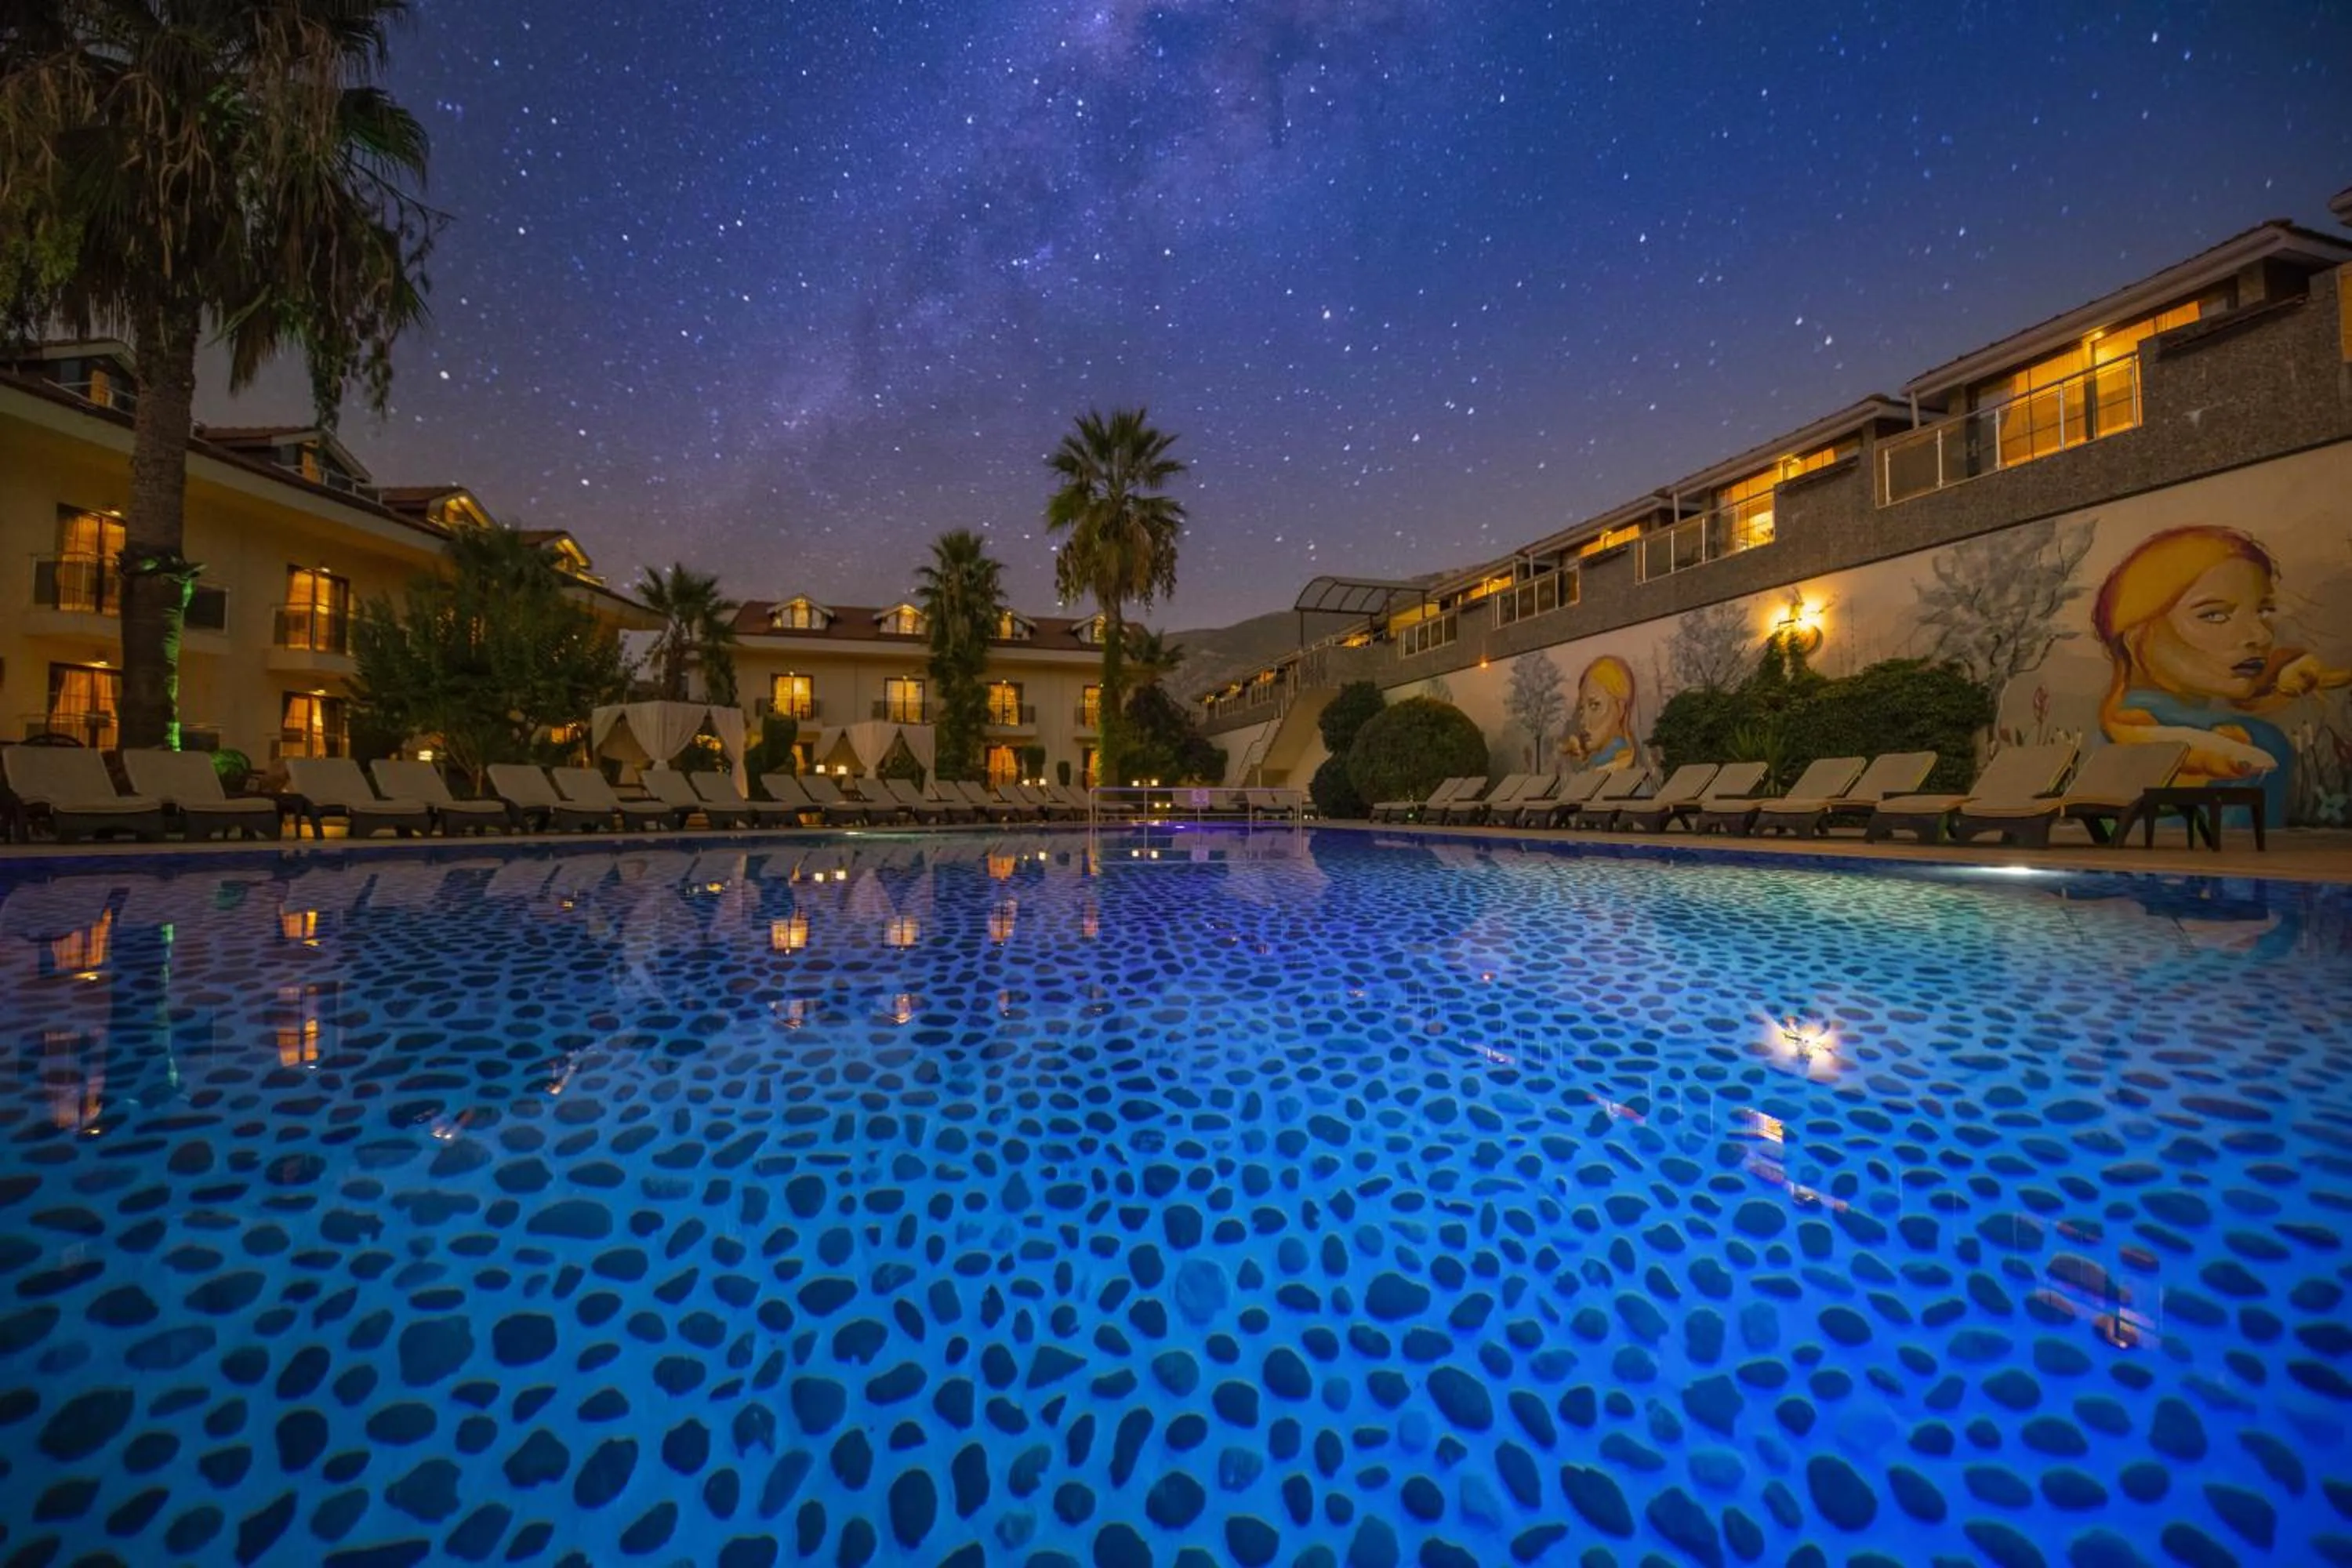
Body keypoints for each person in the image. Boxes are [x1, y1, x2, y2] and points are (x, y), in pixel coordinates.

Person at [2092, 525, 2348, 823]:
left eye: (2263, 611)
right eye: (2214, 615)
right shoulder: (2254, 743)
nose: (2260, 636)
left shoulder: (2109, 736)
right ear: (2138, 638)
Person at [1562, 655, 1639, 771]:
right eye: (1581, 709)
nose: (1583, 721)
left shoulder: (1619, 771)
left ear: (1620, 709)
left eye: (1595, 706)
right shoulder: (1598, 765)